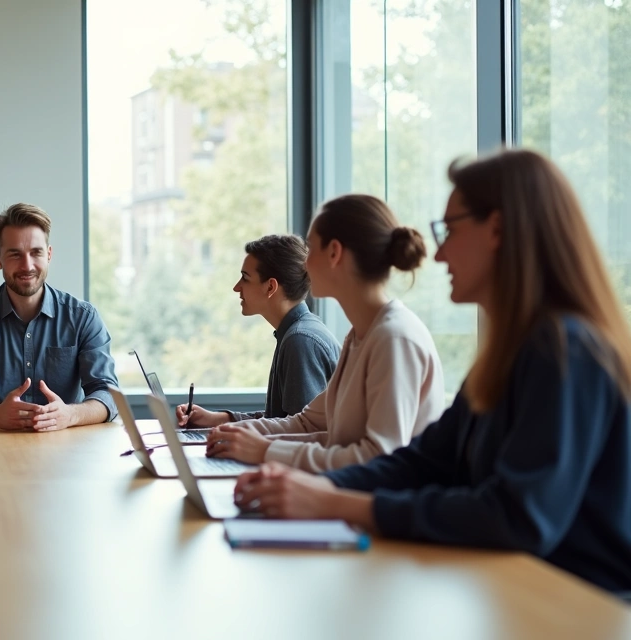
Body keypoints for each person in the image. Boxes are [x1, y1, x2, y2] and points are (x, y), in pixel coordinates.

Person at [233, 149, 631, 595]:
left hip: (579, 606)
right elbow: (423, 461)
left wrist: (335, 502)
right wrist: (311, 488)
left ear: (497, 229)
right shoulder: (509, 353)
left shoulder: (566, 351)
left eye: (450, 230)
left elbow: (517, 517)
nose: (439, 253)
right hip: (518, 591)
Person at [204, 194, 445, 472]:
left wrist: (265, 450)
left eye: (310, 248)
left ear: (334, 253)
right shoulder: (360, 336)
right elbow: (308, 423)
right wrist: (238, 433)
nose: (304, 265)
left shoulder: (394, 339)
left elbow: (378, 458)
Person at [0, 203, 119, 431]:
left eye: (36, 252)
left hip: (66, 447)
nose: (27, 265)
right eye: (15, 254)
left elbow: (108, 394)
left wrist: (71, 415)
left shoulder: (83, 317)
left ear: (48, 255)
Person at [177, 234, 340, 424]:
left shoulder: (300, 340)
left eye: (245, 278)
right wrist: (217, 419)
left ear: (270, 287)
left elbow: (300, 432)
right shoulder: (296, 333)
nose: (236, 287)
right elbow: (282, 422)